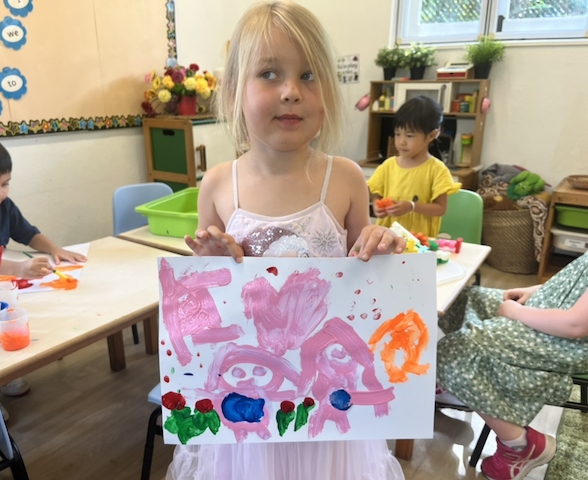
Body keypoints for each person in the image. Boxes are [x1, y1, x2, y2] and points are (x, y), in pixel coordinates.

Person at [172, 1, 406, 479]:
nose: (291, 91)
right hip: (251, 405)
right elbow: (202, 305)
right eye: (269, 74)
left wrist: (380, 243)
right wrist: (210, 262)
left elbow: (364, 275)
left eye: (308, 76)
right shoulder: (217, 185)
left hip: (326, 404)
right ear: (234, 91)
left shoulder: (346, 179)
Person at [0, 132, 87, 410]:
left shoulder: (3, 206)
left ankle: (2, 378)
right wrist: (20, 268)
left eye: (5, 183)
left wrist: (54, 248)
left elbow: (27, 233)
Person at [437, 250, 588, 480]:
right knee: (464, 299)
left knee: (451, 353)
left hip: (566, 342)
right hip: (554, 314)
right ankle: (461, 383)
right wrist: (535, 290)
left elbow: (575, 325)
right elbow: (578, 282)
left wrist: (517, 313)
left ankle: (519, 445)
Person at [367, 96, 460, 238]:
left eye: (409, 136)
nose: (401, 142)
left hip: (419, 241)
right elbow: (376, 193)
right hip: (387, 240)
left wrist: (412, 206)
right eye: (398, 134)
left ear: (431, 135)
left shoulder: (437, 169)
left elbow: (441, 208)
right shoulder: (388, 166)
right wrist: (377, 205)